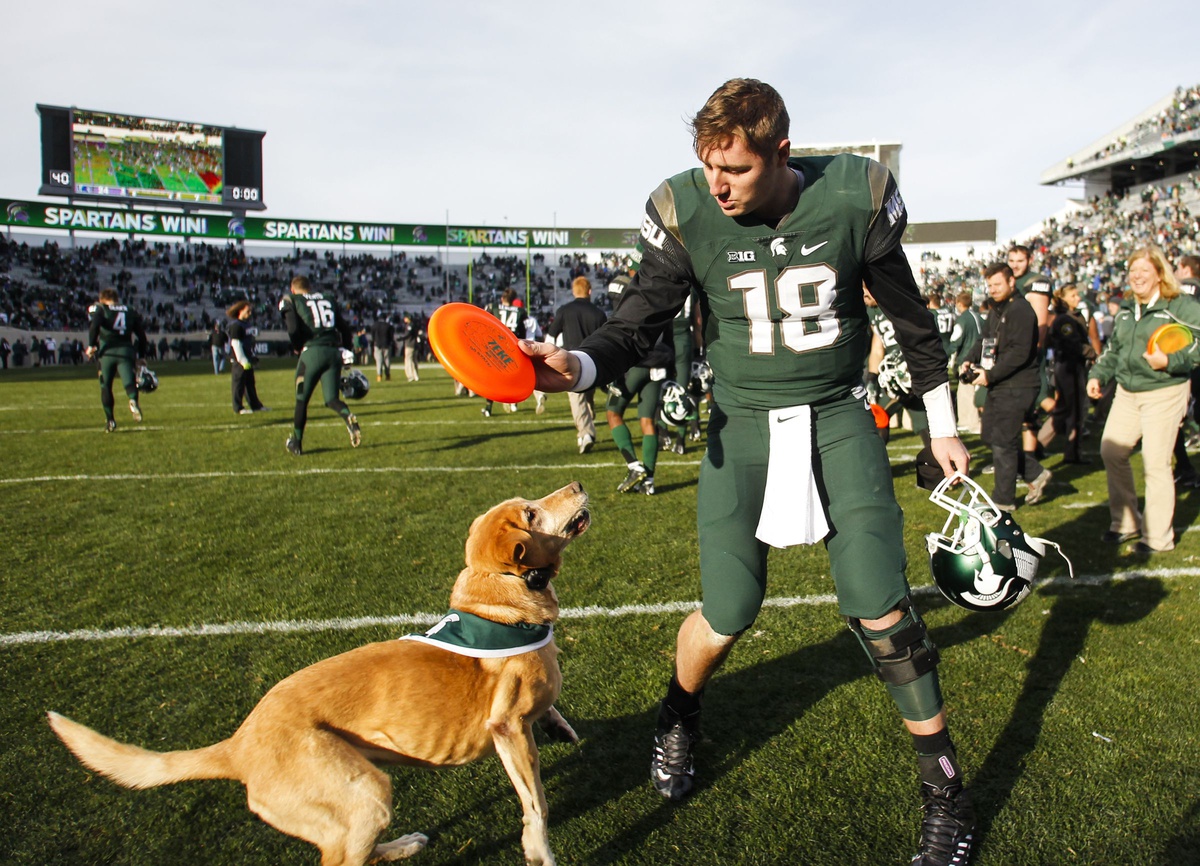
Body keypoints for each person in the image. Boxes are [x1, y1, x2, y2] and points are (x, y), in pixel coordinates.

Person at [518, 78, 974, 866]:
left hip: (837, 414)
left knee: (879, 603)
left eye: (735, 169)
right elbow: (637, 325)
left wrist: (943, 428)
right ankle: (678, 715)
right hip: (744, 424)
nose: (716, 186)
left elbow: (913, 322)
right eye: (707, 166)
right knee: (729, 610)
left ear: (781, 152)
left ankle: (945, 794)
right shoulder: (686, 209)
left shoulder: (854, 195)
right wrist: (581, 365)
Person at [1086, 246, 1200, 553]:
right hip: (1127, 392)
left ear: (1160, 274)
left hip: (1164, 391)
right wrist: (1097, 375)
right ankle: (1125, 522)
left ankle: (1157, 537)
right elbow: (1113, 351)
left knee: (1155, 462)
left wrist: (1171, 360)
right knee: (1111, 450)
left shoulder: (1181, 305)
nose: (1136, 277)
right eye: (1132, 271)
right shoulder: (1126, 308)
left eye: (1144, 271)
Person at [961, 264, 1051, 509]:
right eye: (990, 285)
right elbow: (985, 340)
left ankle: (1003, 500)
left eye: (998, 284)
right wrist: (969, 358)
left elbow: (1020, 353)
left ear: (1012, 282)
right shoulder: (997, 309)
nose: (993, 289)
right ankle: (1034, 473)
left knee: (1003, 441)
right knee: (990, 435)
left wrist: (990, 375)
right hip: (1000, 383)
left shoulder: (1021, 310)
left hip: (1018, 385)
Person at [277, 276, 361, 455]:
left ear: (293, 289)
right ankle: (348, 416)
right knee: (331, 399)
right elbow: (344, 328)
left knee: (302, 400)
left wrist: (297, 346)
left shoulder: (291, 300)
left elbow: (292, 328)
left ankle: (297, 443)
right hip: (333, 352)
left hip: (312, 352)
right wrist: (346, 349)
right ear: (310, 287)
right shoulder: (328, 298)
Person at [546, 276, 608, 452]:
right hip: (594, 361)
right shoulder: (598, 313)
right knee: (588, 398)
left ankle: (586, 432)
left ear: (574, 291)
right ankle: (587, 428)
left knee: (577, 399)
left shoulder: (565, 310)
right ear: (590, 291)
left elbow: (550, 336)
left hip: (572, 360)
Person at [85, 287, 149, 433]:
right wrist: (142, 355)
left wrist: (91, 345)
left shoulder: (101, 309)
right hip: (126, 351)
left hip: (106, 353)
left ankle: (110, 421)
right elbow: (141, 335)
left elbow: (94, 326)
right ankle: (133, 400)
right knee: (129, 382)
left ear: (102, 299)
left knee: (106, 386)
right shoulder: (129, 310)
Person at [1045, 284, 1093, 464]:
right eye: (1073, 296)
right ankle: (1072, 452)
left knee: (1065, 408)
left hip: (1069, 366)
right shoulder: (1065, 320)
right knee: (1074, 410)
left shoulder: (1070, 317)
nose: (1078, 298)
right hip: (1069, 366)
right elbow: (1073, 344)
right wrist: (1092, 352)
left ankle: (1041, 444)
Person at [483, 288, 526, 416]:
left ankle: (488, 407)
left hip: (496, 347)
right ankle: (513, 401)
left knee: (492, 379)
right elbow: (522, 332)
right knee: (513, 377)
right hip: (512, 348)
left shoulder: (494, 307)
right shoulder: (520, 311)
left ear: (502, 298)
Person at [949, 291, 983, 434]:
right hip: (981, 357)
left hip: (967, 359)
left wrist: (948, 355)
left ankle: (969, 421)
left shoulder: (963, 319)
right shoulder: (979, 317)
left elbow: (955, 341)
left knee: (966, 393)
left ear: (959, 304)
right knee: (977, 391)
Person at [227, 300, 269, 415]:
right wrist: (242, 359)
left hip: (248, 358)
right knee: (239, 384)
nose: (250, 313)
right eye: (248, 311)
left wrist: (252, 356)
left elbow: (249, 342)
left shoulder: (247, 324)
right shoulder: (236, 325)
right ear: (240, 311)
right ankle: (238, 407)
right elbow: (236, 344)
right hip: (240, 360)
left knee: (250, 383)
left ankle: (256, 406)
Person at [372, 312, 395, 383]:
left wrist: (375, 341)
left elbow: (372, 335)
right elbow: (391, 336)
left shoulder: (375, 325)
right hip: (386, 345)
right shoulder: (388, 326)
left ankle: (379, 375)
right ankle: (387, 375)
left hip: (377, 345)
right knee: (387, 361)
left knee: (379, 361)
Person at [400, 315, 421, 382]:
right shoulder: (415, 325)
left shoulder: (410, 325)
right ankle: (415, 375)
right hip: (415, 345)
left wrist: (401, 338)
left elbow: (408, 334)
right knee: (414, 360)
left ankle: (411, 375)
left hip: (410, 344)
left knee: (408, 360)